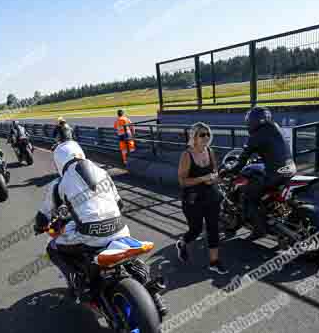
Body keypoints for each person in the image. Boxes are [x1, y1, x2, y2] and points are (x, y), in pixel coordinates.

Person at [33, 141, 167, 313]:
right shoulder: (103, 172)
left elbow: (43, 216)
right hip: (120, 229)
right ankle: (154, 296)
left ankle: (80, 287)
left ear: (59, 161)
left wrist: (40, 226)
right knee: (131, 258)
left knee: (53, 248)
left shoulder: (59, 184)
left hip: (90, 236)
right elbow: (120, 204)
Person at [232, 106, 296, 240]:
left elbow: (242, 159)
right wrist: (260, 158)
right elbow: (273, 150)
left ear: (253, 121)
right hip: (289, 169)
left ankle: (259, 229)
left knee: (250, 197)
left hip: (275, 175)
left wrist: (230, 170)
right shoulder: (275, 127)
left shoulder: (256, 136)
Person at [175, 122, 227, 275]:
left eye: (208, 134)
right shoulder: (187, 155)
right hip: (192, 199)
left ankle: (214, 262)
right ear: (194, 137)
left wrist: (216, 179)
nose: (206, 137)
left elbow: (214, 172)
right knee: (196, 230)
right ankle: (182, 243)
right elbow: (182, 181)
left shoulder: (210, 151)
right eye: (202, 134)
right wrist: (202, 178)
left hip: (211, 196)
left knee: (213, 228)